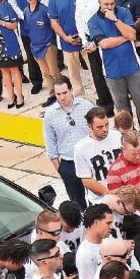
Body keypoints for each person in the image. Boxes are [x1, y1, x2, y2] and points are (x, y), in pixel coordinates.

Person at [88, 0, 140, 125]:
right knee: (122, 109)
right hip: (112, 71)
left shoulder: (124, 12)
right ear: (99, 3)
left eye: (112, 4)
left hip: (132, 66)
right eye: (106, 5)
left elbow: (132, 34)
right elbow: (104, 44)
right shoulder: (93, 21)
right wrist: (124, 37)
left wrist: (115, 20)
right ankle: (129, 135)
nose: (109, 7)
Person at [44, 75, 96, 207]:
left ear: (71, 90)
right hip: (68, 163)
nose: (62, 97)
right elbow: (50, 144)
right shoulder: (50, 115)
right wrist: (60, 169)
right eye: (58, 94)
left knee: (95, 199)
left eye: (65, 93)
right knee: (77, 203)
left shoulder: (86, 106)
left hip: (88, 159)